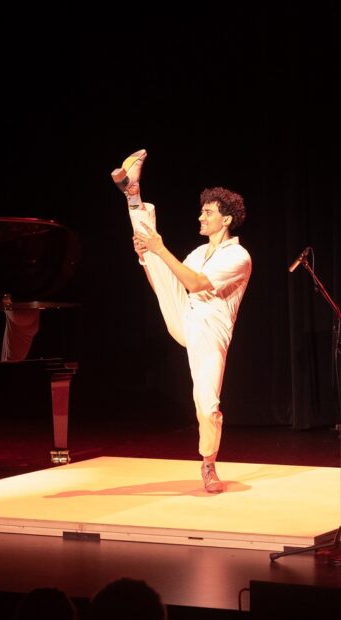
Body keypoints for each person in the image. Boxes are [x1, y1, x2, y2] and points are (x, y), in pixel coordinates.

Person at [113, 150, 252, 493]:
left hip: (209, 330)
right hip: (184, 314)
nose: (201, 217)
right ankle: (134, 197)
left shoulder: (238, 255)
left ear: (227, 220)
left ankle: (208, 463)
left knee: (207, 402)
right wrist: (151, 261)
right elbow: (170, 284)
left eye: (209, 213)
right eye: (202, 211)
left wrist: (158, 251)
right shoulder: (196, 253)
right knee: (150, 255)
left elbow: (196, 283)